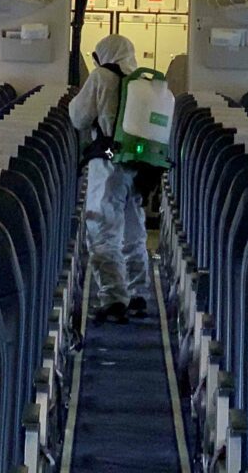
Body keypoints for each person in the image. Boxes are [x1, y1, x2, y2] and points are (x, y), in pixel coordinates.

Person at [69, 34, 150, 324]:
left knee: (102, 228)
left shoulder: (102, 76)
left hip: (108, 164)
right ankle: (139, 293)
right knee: (133, 229)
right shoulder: (143, 80)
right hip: (137, 165)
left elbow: (79, 117)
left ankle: (114, 298)